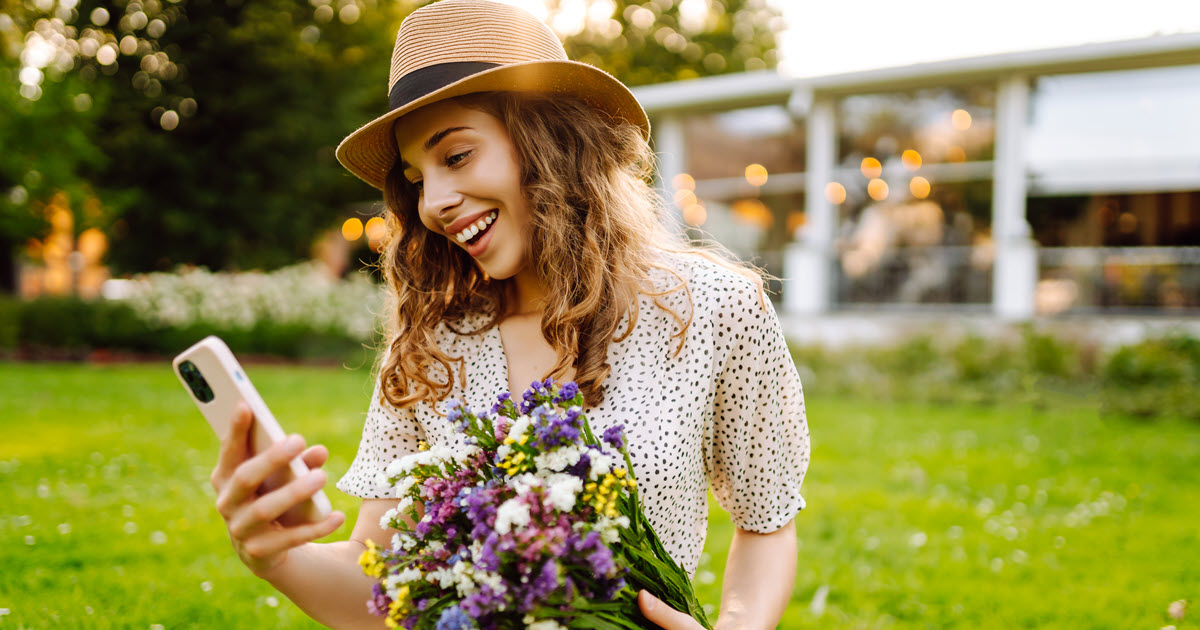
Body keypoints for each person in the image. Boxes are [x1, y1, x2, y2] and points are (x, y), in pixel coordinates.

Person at [208, 1, 810, 628]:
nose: (435, 202)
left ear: (551, 143)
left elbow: (765, 521)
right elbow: (380, 589)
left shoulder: (713, 307)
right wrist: (274, 555)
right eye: (416, 178)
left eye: (457, 156)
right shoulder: (431, 343)